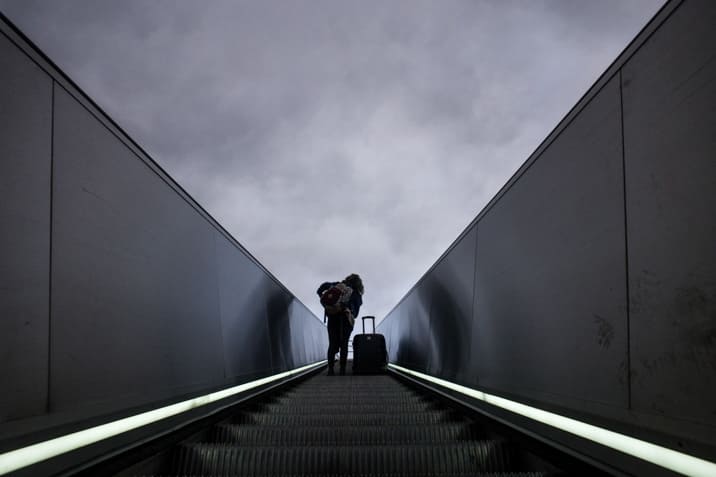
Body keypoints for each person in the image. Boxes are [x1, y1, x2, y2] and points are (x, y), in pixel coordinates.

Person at [317, 273, 364, 376]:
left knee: (332, 343)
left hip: (332, 318)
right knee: (344, 344)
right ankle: (342, 370)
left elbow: (321, 288)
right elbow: (355, 314)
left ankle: (330, 370)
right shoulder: (356, 293)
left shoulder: (337, 285)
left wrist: (325, 303)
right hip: (346, 320)